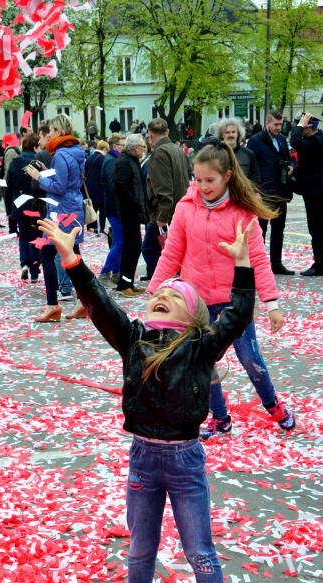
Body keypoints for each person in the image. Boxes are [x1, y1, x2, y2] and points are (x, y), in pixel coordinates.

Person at [38, 215, 258, 583]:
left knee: (199, 547)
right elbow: (102, 304)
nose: (159, 296)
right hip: (143, 460)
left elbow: (235, 317)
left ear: (193, 316)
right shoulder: (133, 339)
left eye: (172, 297)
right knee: (141, 543)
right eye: (157, 294)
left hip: (185, 462)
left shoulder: (200, 347)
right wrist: (71, 259)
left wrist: (243, 267)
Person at [149, 140, 295, 440]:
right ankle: (220, 417)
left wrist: (271, 304)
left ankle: (273, 405)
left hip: (233, 304)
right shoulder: (185, 208)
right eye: (198, 180)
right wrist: (156, 292)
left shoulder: (242, 213)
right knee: (204, 363)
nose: (203, 187)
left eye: (210, 181)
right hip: (197, 303)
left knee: (250, 358)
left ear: (228, 176)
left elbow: (258, 261)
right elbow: (172, 253)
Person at [25, 113, 86, 322]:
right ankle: (83, 302)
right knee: (74, 255)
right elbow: (71, 183)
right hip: (74, 208)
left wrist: (39, 178)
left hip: (60, 212)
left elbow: (59, 187)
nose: (48, 134)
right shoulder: (78, 152)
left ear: (59, 132)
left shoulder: (60, 154)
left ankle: (53, 305)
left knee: (46, 256)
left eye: (50, 131)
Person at [247, 109, 295, 275]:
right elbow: (251, 166)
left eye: (280, 124)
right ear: (267, 123)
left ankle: (277, 263)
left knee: (278, 229)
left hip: (280, 190)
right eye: (275, 124)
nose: (278, 128)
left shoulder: (282, 139)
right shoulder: (255, 140)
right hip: (264, 192)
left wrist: (290, 166)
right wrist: (254, 190)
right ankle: (258, 266)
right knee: (261, 230)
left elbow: (290, 158)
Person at [142, 117, 190, 279]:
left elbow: (164, 189)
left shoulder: (159, 153)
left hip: (165, 214)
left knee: (150, 250)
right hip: (180, 209)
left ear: (150, 135)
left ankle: (167, 285)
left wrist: (162, 217)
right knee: (174, 253)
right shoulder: (177, 150)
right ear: (167, 132)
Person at [290, 113, 323, 277]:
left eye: (301, 127)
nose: (298, 129)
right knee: (322, 229)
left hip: (316, 191)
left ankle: (319, 266)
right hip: (319, 189)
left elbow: (294, 141)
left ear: (308, 127)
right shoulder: (318, 139)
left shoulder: (315, 141)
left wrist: (300, 124)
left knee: (317, 229)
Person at [113, 133, 148, 296]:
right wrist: (136, 204)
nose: (144, 149)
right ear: (135, 147)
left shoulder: (132, 160)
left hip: (133, 210)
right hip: (128, 211)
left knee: (134, 247)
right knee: (132, 247)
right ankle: (124, 284)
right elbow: (121, 188)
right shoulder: (124, 162)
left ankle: (128, 282)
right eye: (143, 146)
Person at [5, 133, 41, 284]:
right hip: (34, 202)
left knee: (23, 236)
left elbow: (8, 187)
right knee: (34, 237)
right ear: (34, 147)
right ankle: (34, 272)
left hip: (18, 203)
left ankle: (24, 264)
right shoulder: (38, 163)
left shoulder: (14, 163)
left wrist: (8, 210)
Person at [99, 133, 126, 287]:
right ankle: (104, 273)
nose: (125, 147)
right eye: (122, 145)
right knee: (119, 242)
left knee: (117, 240)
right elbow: (113, 185)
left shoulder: (112, 159)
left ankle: (116, 274)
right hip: (114, 208)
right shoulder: (111, 161)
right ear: (115, 146)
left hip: (114, 207)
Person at [215, 118, 260, 186]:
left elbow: (255, 180)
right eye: (227, 132)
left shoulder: (248, 154)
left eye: (233, 132)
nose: (231, 135)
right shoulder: (215, 154)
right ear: (221, 135)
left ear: (238, 134)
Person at [85, 139, 107, 236]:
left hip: (90, 187)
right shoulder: (104, 159)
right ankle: (101, 228)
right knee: (102, 209)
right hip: (101, 187)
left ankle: (92, 227)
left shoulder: (89, 158)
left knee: (92, 208)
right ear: (105, 149)